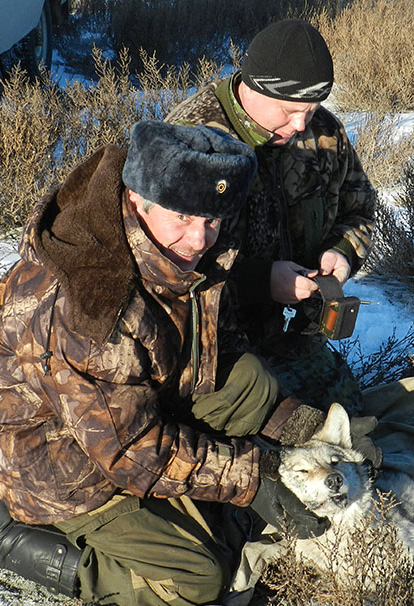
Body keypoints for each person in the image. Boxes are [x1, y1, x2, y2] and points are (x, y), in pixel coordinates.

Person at [0, 121, 334, 606]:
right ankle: (5, 536)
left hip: (126, 403)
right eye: (181, 217)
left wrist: (299, 426)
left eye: (212, 220)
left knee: (244, 380)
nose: (198, 238)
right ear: (138, 200)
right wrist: (252, 477)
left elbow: (210, 342)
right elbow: (130, 451)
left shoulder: (175, 241)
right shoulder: (96, 307)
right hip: (55, 456)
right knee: (199, 578)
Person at [166, 19, 378, 415]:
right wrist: (260, 281)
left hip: (289, 336)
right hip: (209, 351)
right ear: (251, 86)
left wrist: (342, 251)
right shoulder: (193, 139)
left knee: (352, 423)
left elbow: (360, 206)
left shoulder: (324, 131)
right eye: (288, 110)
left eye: (311, 109)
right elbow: (162, 269)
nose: (300, 124)